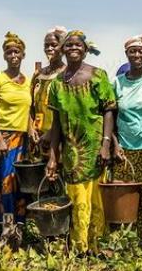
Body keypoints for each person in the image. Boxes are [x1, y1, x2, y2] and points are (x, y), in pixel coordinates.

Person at [45, 30, 117, 252]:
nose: (74, 48)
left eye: (78, 45)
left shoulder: (98, 76)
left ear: (86, 50)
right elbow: (56, 123)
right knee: (77, 200)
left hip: (96, 150)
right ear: (62, 50)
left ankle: (98, 246)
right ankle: (79, 248)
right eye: (69, 45)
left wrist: (106, 144)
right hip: (72, 155)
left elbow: (108, 111)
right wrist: (53, 158)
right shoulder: (57, 83)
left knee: (97, 200)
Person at [0, 32, 33, 247]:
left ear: (23, 55)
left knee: (19, 184)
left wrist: (31, 130)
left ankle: (19, 228)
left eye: (17, 52)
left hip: (23, 140)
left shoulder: (28, 81)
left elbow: (29, 109)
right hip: (4, 138)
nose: (13, 55)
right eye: (9, 52)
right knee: (4, 183)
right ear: (4, 55)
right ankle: (5, 226)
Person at [111, 35, 142, 229]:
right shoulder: (117, 83)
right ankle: (121, 244)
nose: (137, 54)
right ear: (126, 54)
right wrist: (114, 143)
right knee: (122, 198)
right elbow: (109, 116)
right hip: (122, 150)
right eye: (132, 51)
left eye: (141, 51)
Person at [28, 26, 67, 166]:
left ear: (62, 48)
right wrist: (30, 128)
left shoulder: (67, 75)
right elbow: (30, 104)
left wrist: (51, 133)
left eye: (54, 45)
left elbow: (66, 110)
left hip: (58, 136)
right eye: (46, 45)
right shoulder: (38, 75)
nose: (50, 48)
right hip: (37, 136)